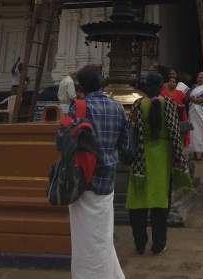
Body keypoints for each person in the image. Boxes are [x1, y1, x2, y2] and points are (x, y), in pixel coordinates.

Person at [57, 64, 129, 279]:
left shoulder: (80, 107)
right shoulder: (117, 108)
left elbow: (61, 140)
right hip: (107, 180)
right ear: (102, 83)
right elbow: (126, 147)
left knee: (84, 238)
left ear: (81, 86)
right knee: (102, 236)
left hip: (83, 180)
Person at [126, 72, 190, 255]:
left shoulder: (138, 105)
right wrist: (180, 160)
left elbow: (133, 131)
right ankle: (158, 243)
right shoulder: (168, 104)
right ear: (161, 85)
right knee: (160, 202)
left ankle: (140, 243)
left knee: (138, 201)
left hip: (141, 157)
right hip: (162, 157)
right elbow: (174, 134)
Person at [188, 71, 203, 160]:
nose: (200, 79)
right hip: (193, 112)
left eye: (202, 77)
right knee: (193, 132)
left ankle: (202, 152)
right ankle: (194, 151)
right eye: (199, 77)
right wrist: (194, 100)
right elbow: (188, 98)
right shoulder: (193, 87)